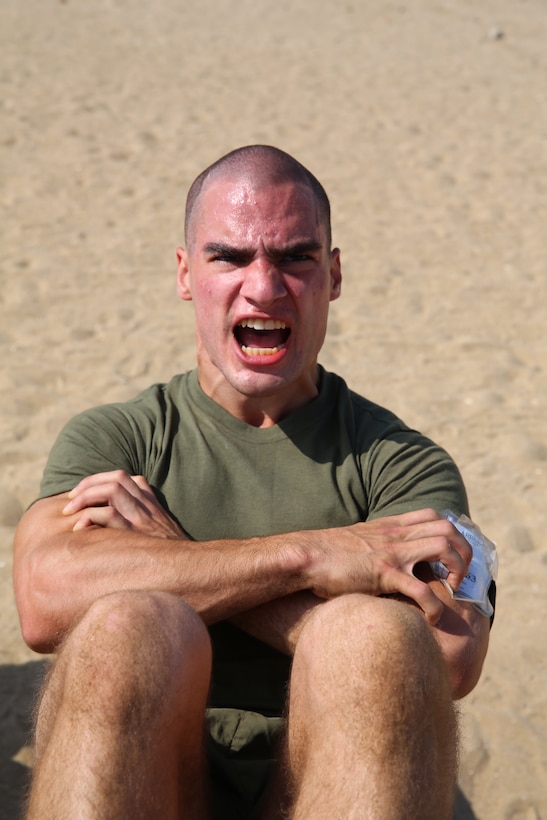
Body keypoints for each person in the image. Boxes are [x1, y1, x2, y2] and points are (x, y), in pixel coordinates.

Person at [13, 145, 493, 820]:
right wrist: (315, 556)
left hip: (335, 780)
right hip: (153, 774)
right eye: (230, 257)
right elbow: (44, 597)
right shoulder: (118, 439)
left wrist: (174, 560)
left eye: (295, 258)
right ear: (186, 274)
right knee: (131, 628)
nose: (263, 288)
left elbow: (447, 657)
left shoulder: (399, 462)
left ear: (332, 274)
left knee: (374, 643)